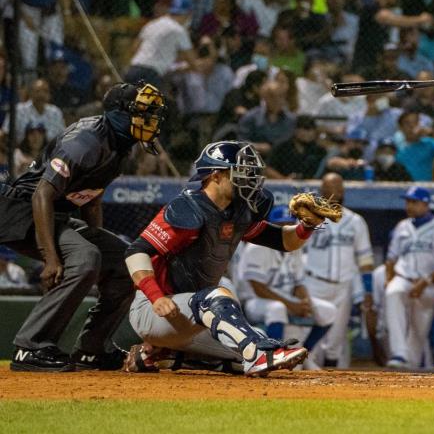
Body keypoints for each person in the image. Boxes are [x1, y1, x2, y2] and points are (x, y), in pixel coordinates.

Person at [123, 141, 336, 377]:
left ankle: (157, 355)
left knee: (247, 349)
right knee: (222, 299)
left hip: (192, 316)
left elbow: (283, 241)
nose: (250, 180)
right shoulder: (188, 207)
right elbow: (136, 251)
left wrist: (306, 227)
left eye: (251, 174)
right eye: (241, 173)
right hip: (158, 310)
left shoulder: (239, 210)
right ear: (215, 175)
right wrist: (155, 297)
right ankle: (257, 356)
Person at [1, 84, 167, 371]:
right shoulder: (86, 140)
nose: (150, 119)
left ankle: (93, 349)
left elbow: (91, 202)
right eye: (142, 112)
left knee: (124, 261)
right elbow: (43, 193)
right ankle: (31, 346)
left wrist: (99, 245)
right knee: (85, 257)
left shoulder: (120, 146)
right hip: (23, 211)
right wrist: (51, 258)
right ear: (119, 114)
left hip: (56, 215)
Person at [233, 205, 337, 363]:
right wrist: (291, 305)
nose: (285, 228)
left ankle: (303, 356)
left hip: (285, 298)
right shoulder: (257, 247)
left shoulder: (295, 245)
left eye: (289, 224)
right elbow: (258, 288)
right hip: (254, 302)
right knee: (277, 309)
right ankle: (274, 358)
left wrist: (305, 302)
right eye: (280, 225)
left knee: (328, 311)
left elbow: (298, 283)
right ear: (271, 226)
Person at [301, 174, 374, 368]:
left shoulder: (356, 221)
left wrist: (368, 289)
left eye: (336, 187)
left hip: (344, 287)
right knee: (311, 337)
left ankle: (332, 383)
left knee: (336, 339)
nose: (332, 191)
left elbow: (365, 260)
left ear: (342, 191)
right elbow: (297, 252)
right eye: (327, 187)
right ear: (321, 190)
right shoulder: (309, 218)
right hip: (314, 283)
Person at [385, 186, 434, 368]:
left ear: (426, 204)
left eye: (414, 202)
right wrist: (390, 280)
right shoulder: (402, 226)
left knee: (419, 331)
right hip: (404, 278)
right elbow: (391, 259)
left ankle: (410, 366)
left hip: (430, 284)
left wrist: (426, 282)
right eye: (408, 202)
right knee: (393, 293)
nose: (409, 206)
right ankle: (399, 353)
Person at [124, 0, 196, 89]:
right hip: (150, 75)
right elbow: (192, 61)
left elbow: (135, 48)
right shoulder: (179, 30)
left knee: (129, 103)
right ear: (188, 13)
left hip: (133, 69)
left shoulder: (152, 24)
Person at [237, 80, 295, 156]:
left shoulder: (290, 119)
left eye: (281, 96)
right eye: (273, 96)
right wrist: (259, 147)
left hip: (280, 161)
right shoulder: (251, 117)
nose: (278, 100)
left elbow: (288, 143)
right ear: (265, 98)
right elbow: (241, 142)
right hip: (254, 158)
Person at [3, 79, 65, 144]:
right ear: (30, 93)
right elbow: (6, 134)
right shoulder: (18, 110)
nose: (41, 95)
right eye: (38, 91)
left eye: (45, 91)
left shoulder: (55, 112)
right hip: (21, 152)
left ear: (50, 95)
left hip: (50, 153)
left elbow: (63, 138)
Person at [267, 115, 327, 180]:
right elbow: (268, 169)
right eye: (305, 129)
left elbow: (322, 172)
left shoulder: (319, 150)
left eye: (312, 130)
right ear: (295, 130)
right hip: (282, 186)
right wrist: (285, 180)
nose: (309, 133)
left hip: (311, 187)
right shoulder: (281, 147)